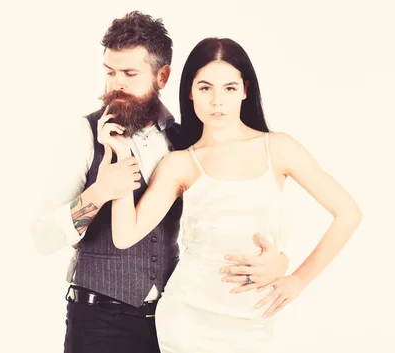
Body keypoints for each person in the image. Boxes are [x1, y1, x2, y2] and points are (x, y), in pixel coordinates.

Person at [31, 13, 290, 353]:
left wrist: (280, 262)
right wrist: (100, 192)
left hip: (171, 322)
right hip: (97, 322)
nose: (115, 84)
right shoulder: (83, 136)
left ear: (162, 76)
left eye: (129, 73)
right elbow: (42, 239)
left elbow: (228, 216)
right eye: (109, 72)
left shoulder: (186, 142)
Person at [99, 37, 363, 352]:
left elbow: (348, 213)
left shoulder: (278, 148)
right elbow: (126, 235)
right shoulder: (181, 163)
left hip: (251, 320)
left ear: (245, 90)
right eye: (205, 88)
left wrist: (298, 279)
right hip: (188, 317)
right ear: (190, 92)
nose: (217, 102)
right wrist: (119, 156)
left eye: (229, 88)